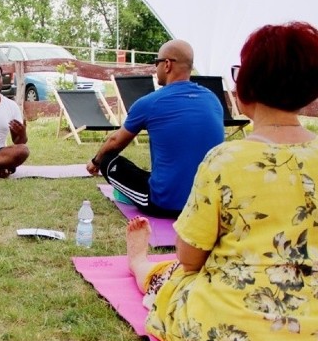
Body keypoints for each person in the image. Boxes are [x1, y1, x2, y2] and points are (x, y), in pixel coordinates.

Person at [125, 22, 318, 341]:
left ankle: (138, 262)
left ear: (246, 84)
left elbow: (190, 258)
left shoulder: (225, 160)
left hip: (235, 332)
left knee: (171, 275)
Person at [87, 40, 224, 217]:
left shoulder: (150, 102)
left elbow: (115, 141)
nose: (155, 68)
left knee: (107, 159)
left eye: (156, 63)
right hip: (207, 205)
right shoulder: (213, 99)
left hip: (166, 204)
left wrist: (95, 161)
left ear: (167, 64)